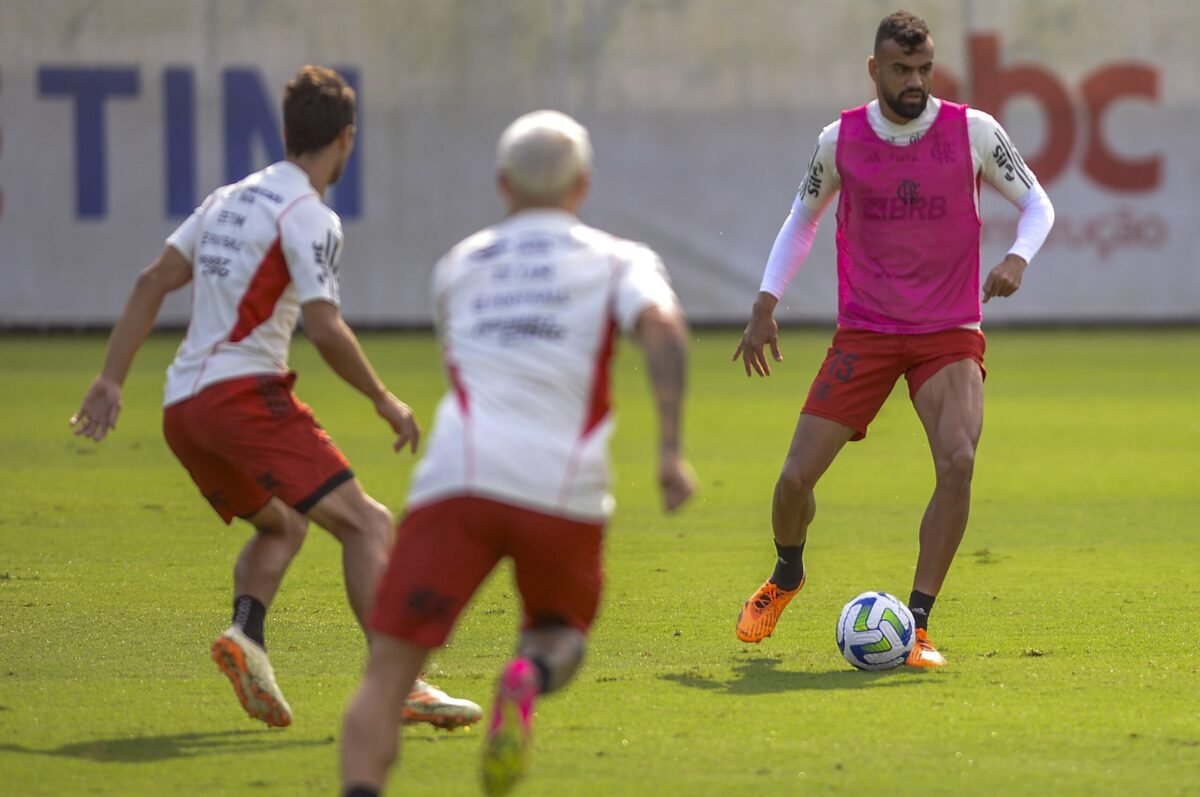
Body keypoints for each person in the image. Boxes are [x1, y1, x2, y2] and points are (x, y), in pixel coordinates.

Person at [70, 65, 481, 729]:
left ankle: (246, 636)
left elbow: (153, 280)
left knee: (284, 523)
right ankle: (398, 684)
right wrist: (382, 397)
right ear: (346, 139)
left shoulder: (227, 198)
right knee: (369, 523)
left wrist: (111, 378)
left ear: (288, 131)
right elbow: (323, 326)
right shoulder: (310, 215)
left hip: (183, 407)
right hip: (242, 396)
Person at [339, 109, 696, 797]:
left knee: (387, 673)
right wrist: (671, 450)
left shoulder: (458, 266)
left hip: (457, 484)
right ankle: (526, 676)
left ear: (502, 183)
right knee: (559, 631)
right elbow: (663, 326)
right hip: (562, 491)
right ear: (583, 185)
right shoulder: (620, 258)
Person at [732, 10, 1055, 667]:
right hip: (867, 333)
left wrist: (1018, 257)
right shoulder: (840, 140)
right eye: (902, 70)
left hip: (948, 332)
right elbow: (802, 220)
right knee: (794, 480)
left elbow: (1037, 205)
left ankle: (919, 622)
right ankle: (787, 572)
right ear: (875, 70)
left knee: (958, 461)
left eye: (925, 69)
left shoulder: (973, 132)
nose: (916, 81)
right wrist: (766, 303)